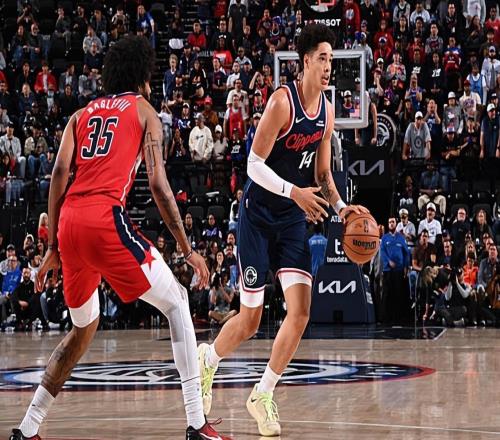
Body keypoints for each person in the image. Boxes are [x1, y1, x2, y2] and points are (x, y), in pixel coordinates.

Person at [9, 36, 231, 440]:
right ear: (143, 77)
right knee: (178, 301)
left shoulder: (80, 115)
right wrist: (187, 250)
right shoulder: (145, 111)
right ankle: (197, 422)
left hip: (69, 224)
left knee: (83, 328)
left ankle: (27, 428)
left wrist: (52, 248)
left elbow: (58, 174)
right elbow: (159, 186)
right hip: (103, 220)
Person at [197, 23, 368, 437]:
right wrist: (294, 192)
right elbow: (253, 166)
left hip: (292, 219)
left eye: (331, 59)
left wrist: (342, 208)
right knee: (250, 320)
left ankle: (263, 394)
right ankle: (208, 359)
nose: (328, 67)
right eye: (322, 58)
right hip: (258, 216)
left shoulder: (327, 112)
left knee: (301, 311)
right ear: (305, 61)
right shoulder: (281, 103)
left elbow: (323, 175)